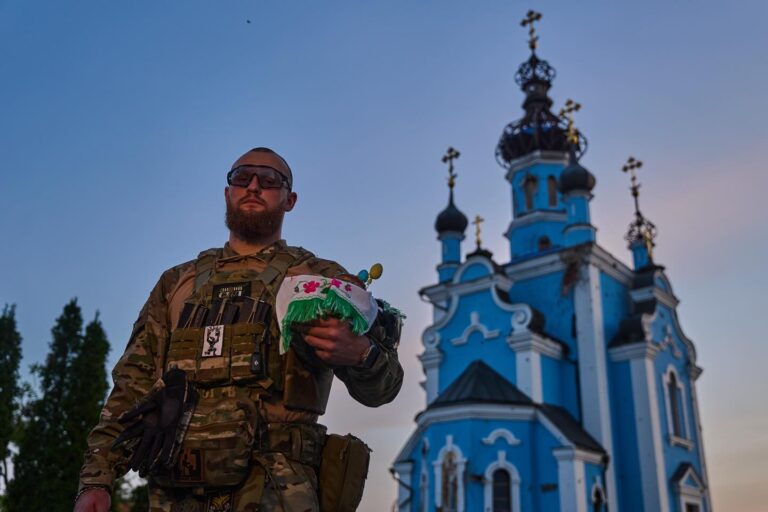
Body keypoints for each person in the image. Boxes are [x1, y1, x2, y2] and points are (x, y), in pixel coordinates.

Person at [74, 147, 404, 512]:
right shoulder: (176, 284)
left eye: (269, 180)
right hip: (175, 494)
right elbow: (131, 384)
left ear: (289, 200)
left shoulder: (319, 282)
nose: (253, 186)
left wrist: (360, 354)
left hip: (276, 493)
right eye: (241, 177)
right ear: (227, 191)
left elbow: (385, 387)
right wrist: (96, 479)